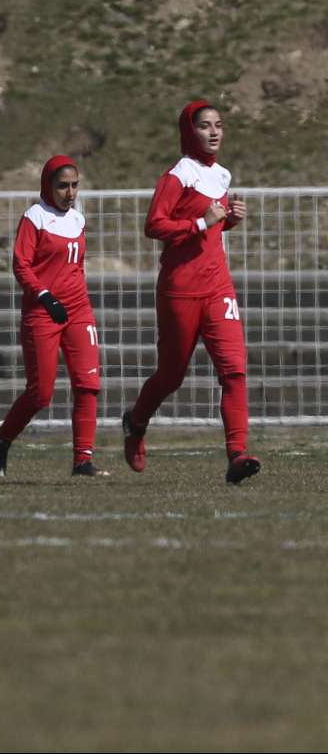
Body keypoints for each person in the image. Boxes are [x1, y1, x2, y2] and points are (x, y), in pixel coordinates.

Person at [122, 101, 261, 485]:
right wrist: (203, 220)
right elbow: (154, 225)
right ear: (189, 131)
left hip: (218, 287)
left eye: (219, 125)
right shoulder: (178, 174)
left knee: (234, 370)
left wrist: (227, 222)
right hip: (180, 290)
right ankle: (136, 424)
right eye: (204, 126)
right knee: (171, 376)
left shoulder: (222, 175)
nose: (214, 132)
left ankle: (238, 455)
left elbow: (209, 231)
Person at [0, 156, 102, 478]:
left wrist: (75, 297)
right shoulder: (35, 217)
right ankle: (2, 437)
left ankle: (83, 460)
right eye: (62, 186)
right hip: (43, 312)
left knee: (88, 383)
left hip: (77, 309)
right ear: (48, 186)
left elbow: (76, 266)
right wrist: (44, 295)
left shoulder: (78, 220)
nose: (69, 192)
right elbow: (20, 264)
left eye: (74, 185)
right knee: (41, 393)